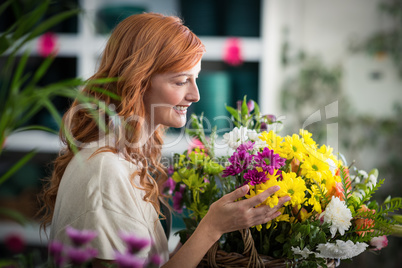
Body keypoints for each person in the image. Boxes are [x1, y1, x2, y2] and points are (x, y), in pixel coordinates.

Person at [38, 13, 290, 267]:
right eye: (181, 81)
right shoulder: (106, 171)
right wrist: (211, 228)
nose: (196, 95)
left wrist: (199, 235)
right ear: (138, 81)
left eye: (196, 79)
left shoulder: (127, 156)